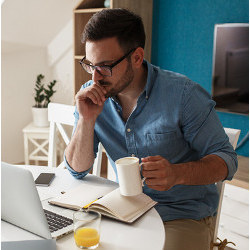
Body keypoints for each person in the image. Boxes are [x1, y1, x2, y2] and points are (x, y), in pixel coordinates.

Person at [65, 8, 237, 250]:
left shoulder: (184, 96)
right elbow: (77, 170)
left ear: (136, 57)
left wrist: (178, 173)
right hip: (124, 210)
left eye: (104, 66)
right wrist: (86, 120)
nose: (95, 78)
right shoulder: (92, 96)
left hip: (181, 216)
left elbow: (227, 160)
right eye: (90, 65)